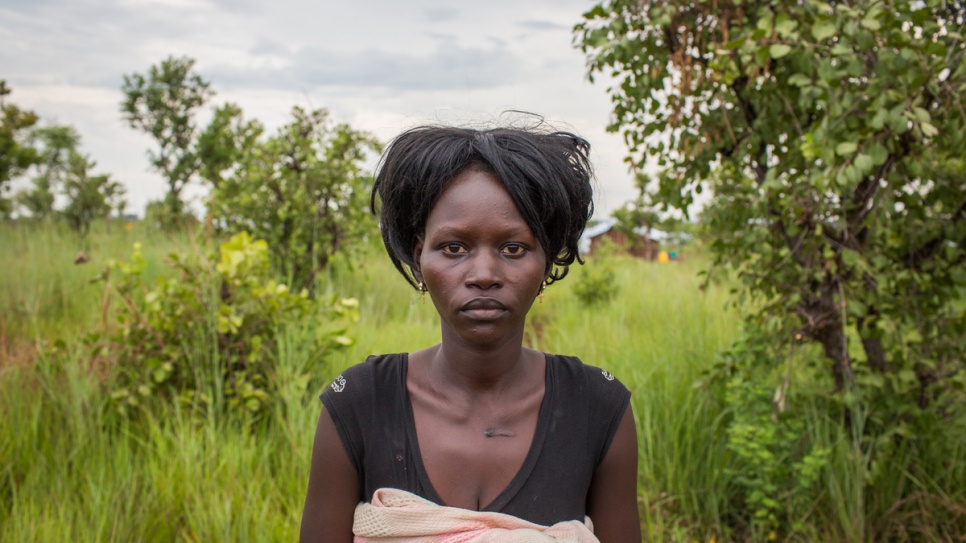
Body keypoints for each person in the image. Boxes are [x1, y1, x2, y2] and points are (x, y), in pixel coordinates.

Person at [300, 124, 641, 543]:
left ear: (547, 261)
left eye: (513, 248)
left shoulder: (598, 410)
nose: (483, 275)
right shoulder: (358, 404)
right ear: (418, 254)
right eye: (454, 248)